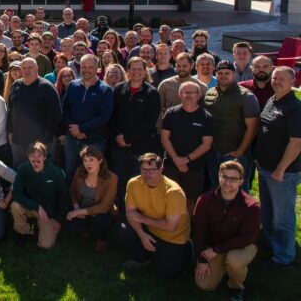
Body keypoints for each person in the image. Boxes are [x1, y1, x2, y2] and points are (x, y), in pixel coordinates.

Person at [194, 161, 260, 300]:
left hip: (242, 246)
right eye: (224, 177)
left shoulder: (252, 207)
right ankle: (224, 267)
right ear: (218, 176)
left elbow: (245, 238)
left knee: (234, 260)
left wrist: (216, 250)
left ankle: (237, 286)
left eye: (233, 179)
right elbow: (199, 231)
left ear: (241, 181)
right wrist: (201, 260)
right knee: (204, 285)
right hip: (215, 247)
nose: (228, 182)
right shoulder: (204, 200)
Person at [256, 66, 301, 270]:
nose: (277, 81)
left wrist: (281, 169)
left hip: (283, 172)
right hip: (265, 167)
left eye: (282, 79)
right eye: (275, 78)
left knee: (282, 216)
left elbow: (296, 143)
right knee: (268, 209)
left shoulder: (295, 107)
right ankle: (269, 242)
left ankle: (284, 256)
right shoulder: (272, 100)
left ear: (292, 81)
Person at [122, 153, 191, 279]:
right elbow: (130, 213)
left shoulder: (173, 191)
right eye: (144, 170)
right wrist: (142, 235)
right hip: (149, 230)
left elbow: (170, 226)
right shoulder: (133, 183)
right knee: (123, 230)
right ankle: (142, 259)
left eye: (152, 170)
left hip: (173, 236)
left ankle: (186, 250)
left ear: (161, 169)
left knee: (167, 274)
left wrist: (142, 219)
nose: (147, 174)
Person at [109, 57, 161, 210]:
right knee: (120, 180)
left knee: (137, 181)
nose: (136, 72)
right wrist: (119, 136)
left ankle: (136, 211)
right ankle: (121, 210)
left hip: (139, 148)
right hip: (118, 147)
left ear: (145, 72)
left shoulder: (152, 93)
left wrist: (127, 138)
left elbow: (149, 123)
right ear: (128, 70)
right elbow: (112, 116)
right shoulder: (118, 89)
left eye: (140, 69)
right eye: (133, 69)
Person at [204, 61, 259, 192]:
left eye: (227, 73)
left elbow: (253, 127)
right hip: (212, 152)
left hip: (235, 154)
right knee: (215, 189)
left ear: (234, 74)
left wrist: (240, 150)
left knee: (238, 192)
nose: (223, 76)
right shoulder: (209, 93)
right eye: (220, 73)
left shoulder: (247, 96)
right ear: (215, 74)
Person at [161, 81, 214, 217]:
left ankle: (189, 231)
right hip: (171, 165)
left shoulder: (206, 116)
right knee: (168, 198)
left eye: (193, 92)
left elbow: (207, 144)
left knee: (191, 201)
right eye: (186, 92)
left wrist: (186, 159)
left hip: (194, 166)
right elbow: (165, 138)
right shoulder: (171, 113)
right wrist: (176, 159)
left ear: (199, 95)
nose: (189, 95)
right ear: (180, 94)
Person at [62, 54, 114, 181]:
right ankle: (71, 200)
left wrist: (82, 129)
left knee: (92, 176)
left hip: (94, 140)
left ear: (97, 68)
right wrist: (74, 129)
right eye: (84, 66)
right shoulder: (73, 85)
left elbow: (104, 117)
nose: (86, 70)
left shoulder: (105, 90)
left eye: (90, 67)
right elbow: (65, 109)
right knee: (71, 173)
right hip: (72, 139)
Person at [11, 141, 68, 249]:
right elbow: (16, 194)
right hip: (31, 207)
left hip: (48, 212)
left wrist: (59, 219)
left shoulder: (56, 172)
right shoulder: (22, 169)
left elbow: (64, 198)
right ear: (28, 157)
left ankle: (38, 229)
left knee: (46, 245)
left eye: (39, 155)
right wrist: (37, 206)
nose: (36, 159)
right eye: (32, 155)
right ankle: (25, 232)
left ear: (45, 157)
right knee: (15, 206)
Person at [6, 57, 62, 167]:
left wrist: (43, 140)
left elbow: (55, 115)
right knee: (19, 171)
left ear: (37, 68)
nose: (27, 71)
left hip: (39, 143)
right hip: (17, 141)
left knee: (39, 173)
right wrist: (10, 132)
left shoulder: (47, 87)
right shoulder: (16, 85)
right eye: (24, 68)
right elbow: (10, 110)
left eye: (30, 68)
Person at [66, 145, 118, 253]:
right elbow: (72, 191)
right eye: (85, 160)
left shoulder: (112, 178)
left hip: (101, 212)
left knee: (102, 221)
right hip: (82, 208)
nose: (87, 163)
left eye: (91, 160)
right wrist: (76, 207)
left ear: (100, 160)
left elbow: (104, 207)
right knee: (72, 228)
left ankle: (102, 239)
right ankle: (88, 228)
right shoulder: (80, 171)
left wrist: (78, 212)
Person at [158, 52, 208, 123]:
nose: (181, 69)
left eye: (184, 66)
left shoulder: (202, 87)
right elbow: (157, 109)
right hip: (169, 128)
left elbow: (205, 113)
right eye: (178, 66)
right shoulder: (165, 84)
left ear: (192, 65)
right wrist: (160, 129)